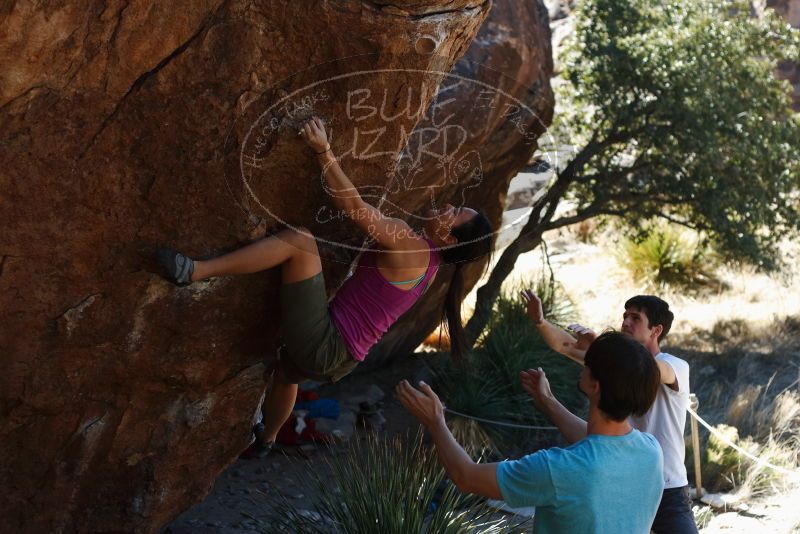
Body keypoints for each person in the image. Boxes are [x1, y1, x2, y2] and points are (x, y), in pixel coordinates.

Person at [156, 116, 493, 457]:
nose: (449, 206)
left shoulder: (412, 246)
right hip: (344, 359)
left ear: (448, 238)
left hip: (328, 344)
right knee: (287, 374)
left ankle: (196, 271)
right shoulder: (430, 266)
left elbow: (353, 207)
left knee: (300, 241)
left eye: (456, 213)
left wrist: (324, 150)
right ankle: (267, 439)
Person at [396, 332, 664, 533]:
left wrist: (435, 421)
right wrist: (548, 402)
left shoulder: (558, 469)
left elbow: (466, 476)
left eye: (587, 364)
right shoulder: (651, 452)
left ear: (595, 386)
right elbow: (602, 446)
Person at [521, 291, 697, 534]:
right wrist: (540, 321)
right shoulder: (617, 365)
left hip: (669, 490)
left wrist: (603, 348)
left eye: (635, 318)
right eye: (625, 316)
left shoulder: (675, 366)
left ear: (656, 330)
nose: (626, 322)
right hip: (621, 480)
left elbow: (652, 369)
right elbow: (565, 346)